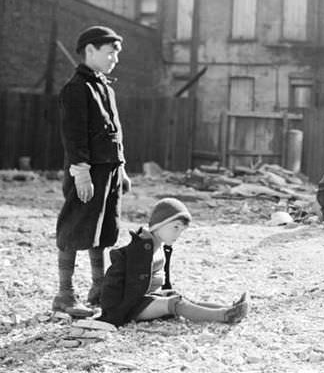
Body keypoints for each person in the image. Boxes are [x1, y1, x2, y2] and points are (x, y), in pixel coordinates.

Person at [53, 25, 131, 317]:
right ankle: (65, 295)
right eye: (110, 53)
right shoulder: (76, 89)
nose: (115, 59)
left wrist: (121, 169)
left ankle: (99, 289)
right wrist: (81, 172)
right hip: (86, 171)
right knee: (75, 227)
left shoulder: (105, 88)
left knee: (103, 228)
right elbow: (73, 136)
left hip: (109, 171)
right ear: (90, 51)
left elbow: (115, 133)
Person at [98, 197, 249, 327]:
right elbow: (112, 281)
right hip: (130, 307)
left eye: (181, 230)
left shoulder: (161, 248)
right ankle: (225, 316)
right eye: (175, 227)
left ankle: (230, 308)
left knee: (182, 298)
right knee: (175, 303)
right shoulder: (136, 249)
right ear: (158, 225)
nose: (178, 234)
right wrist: (112, 313)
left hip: (149, 298)